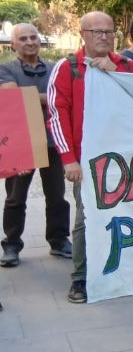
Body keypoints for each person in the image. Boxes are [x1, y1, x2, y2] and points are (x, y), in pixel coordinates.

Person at [47, 11, 133, 303]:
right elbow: (56, 115)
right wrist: (68, 159)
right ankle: (81, 278)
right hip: (86, 162)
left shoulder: (126, 65)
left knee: (125, 212)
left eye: (108, 31)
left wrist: (114, 71)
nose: (103, 36)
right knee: (86, 218)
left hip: (124, 158)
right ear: (83, 34)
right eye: (96, 31)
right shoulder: (68, 67)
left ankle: (121, 268)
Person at [0, 23, 71, 267]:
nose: (30, 42)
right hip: (22, 142)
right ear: (13, 44)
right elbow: (14, 98)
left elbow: (66, 96)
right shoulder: (5, 69)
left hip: (53, 140)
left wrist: (33, 95)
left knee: (57, 196)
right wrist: (51, 97)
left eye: (33, 37)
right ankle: (11, 244)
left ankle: (59, 240)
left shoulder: (54, 68)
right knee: (15, 198)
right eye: (23, 39)